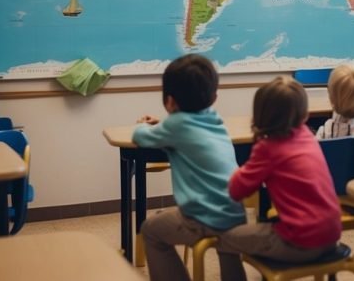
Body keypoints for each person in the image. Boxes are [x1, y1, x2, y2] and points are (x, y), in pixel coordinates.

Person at [133, 54, 247, 281]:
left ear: (170, 101)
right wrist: (166, 124)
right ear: (214, 98)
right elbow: (185, 129)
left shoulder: (176, 125)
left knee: (151, 230)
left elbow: (140, 137)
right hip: (235, 213)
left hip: (202, 219)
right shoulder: (215, 120)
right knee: (229, 252)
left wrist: (146, 125)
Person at [220, 76, 342, 264]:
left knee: (223, 237)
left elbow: (236, 191)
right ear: (305, 115)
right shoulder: (307, 135)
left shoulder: (268, 147)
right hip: (331, 236)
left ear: (260, 116)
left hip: (300, 243)